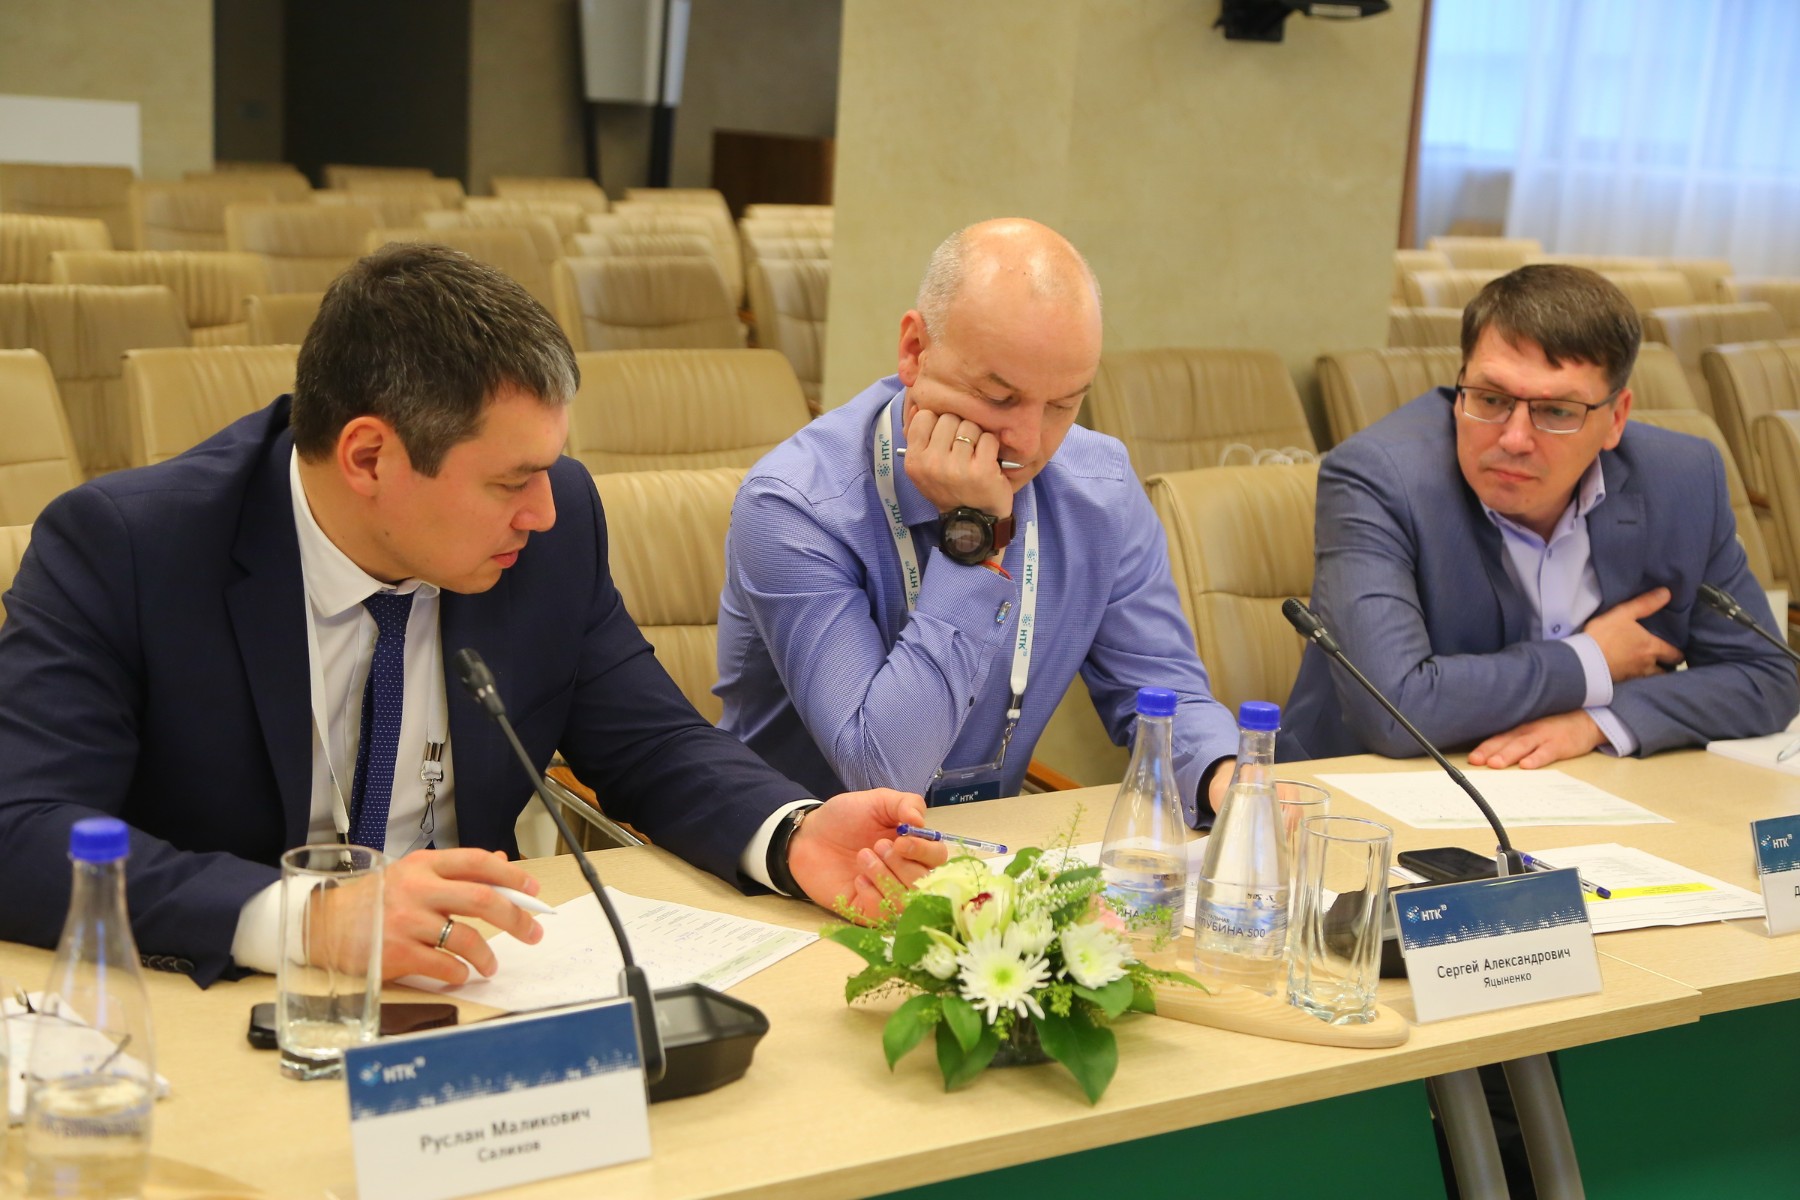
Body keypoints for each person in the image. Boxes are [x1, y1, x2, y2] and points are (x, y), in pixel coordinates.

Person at [0, 243, 943, 988]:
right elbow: (20, 828)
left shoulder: (550, 532)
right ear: (369, 458)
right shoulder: (129, 550)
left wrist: (792, 834)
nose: (543, 510)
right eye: (509, 481)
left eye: (548, 469)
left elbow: (652, 743)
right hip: (233, 1000)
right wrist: (312, 919)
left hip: (479, 988)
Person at [716, 218, 1239, 823]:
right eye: (998, 397)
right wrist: (974, 541)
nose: (1028, 442)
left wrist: (1229, 781)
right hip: (795, 857)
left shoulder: (1101, 489)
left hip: (982, 856)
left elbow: (1165, 694)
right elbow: (881, 772)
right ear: (915, 350)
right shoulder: (795, 505)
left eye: (1064, 404)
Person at [1283, 264, 1799, 764]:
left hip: (1589, 788)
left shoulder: (1680, 479)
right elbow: (1394, 709)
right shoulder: (1379, 478)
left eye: (1556, 411)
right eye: (1491, 399)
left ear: (1616, 418)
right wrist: (1592, 660)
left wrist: (1598, 721)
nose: (1514, 439)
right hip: (1364, 790)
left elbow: (1768, 676)